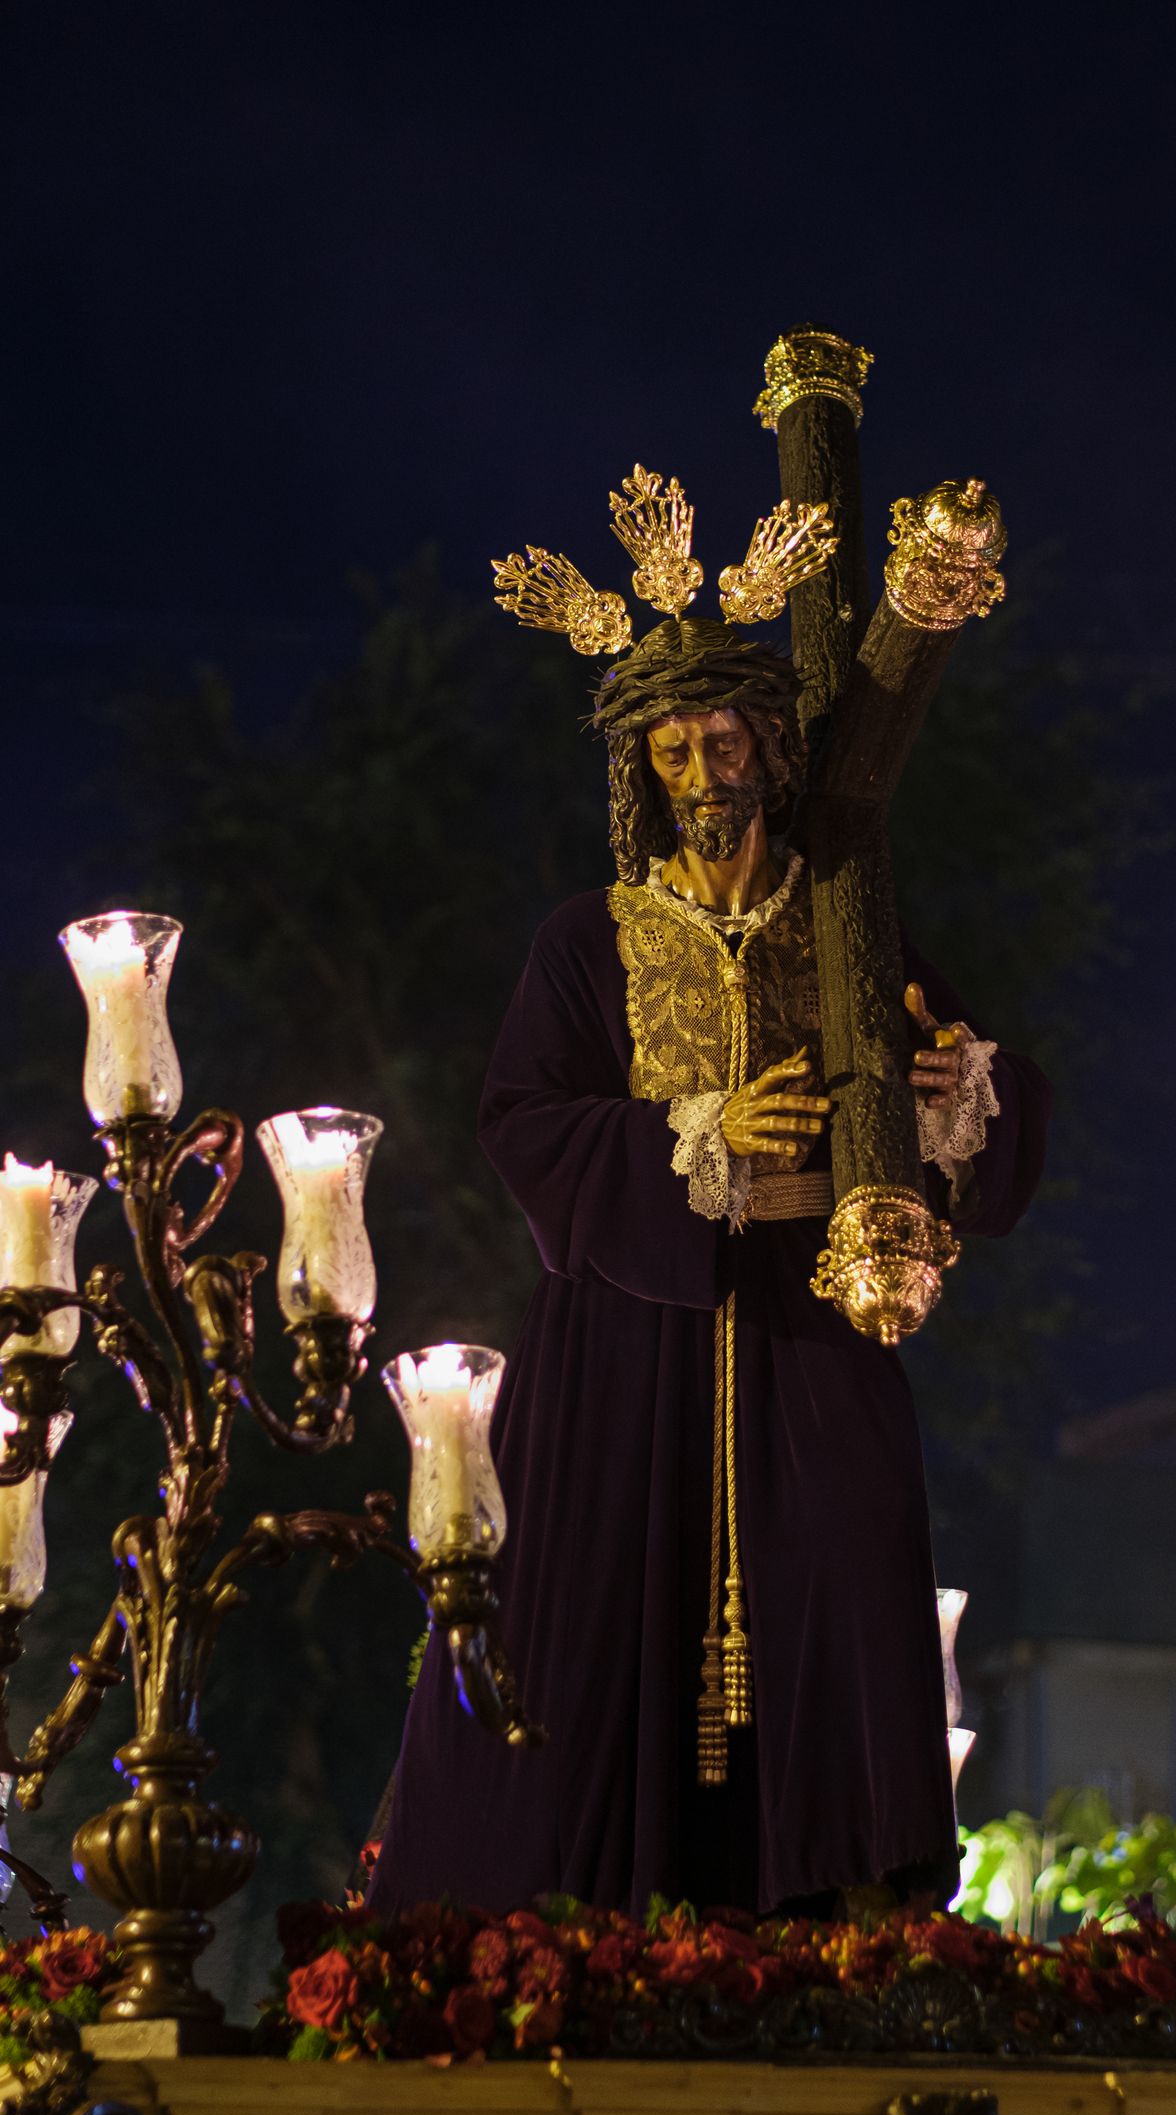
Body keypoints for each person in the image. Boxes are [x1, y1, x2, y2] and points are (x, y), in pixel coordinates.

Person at [368, 618, 1049, 1921]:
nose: (701, 771)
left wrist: (962, 1089)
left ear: (775, 755)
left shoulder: (854, 931)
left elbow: (983, 1100)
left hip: (816, 1323)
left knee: (843, 1578)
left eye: (724, 740)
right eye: (673, 748)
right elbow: (522, 1120)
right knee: (591, 1610)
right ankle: (574, 1926)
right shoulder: (591, 940)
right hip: (625, 1340)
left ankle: (839, 1912)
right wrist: (699, 1136)